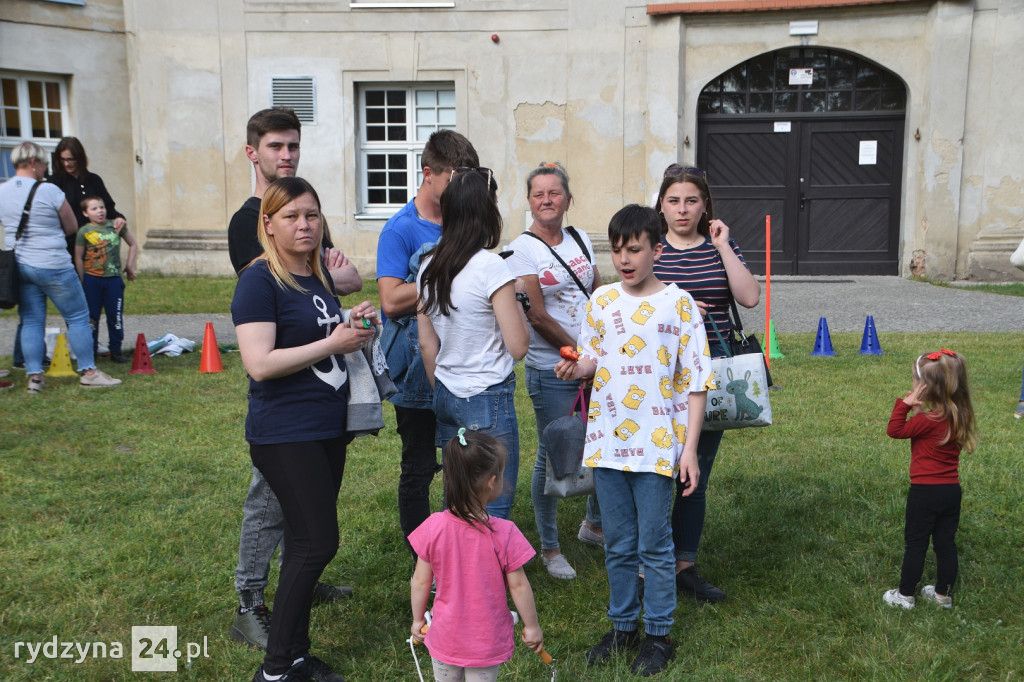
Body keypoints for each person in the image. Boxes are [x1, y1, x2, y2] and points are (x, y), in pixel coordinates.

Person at [554, 205, 713, 677]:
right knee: (618, 543)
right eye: (618, 250)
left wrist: (689, 449)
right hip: (607, 442)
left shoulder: (679, 304)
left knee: (655, 545)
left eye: (635, 249)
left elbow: (696, 382)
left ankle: (659, 634)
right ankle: (623, 626)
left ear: (656, 250)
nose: (625, 259)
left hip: (657, 444)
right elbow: (592, 359)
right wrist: (577, 367)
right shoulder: (601, 300)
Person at [232, 176, 377, 682]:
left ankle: (295, 655)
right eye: (291, 216)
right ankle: (275, 670)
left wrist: (351, 325)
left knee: (301, 542)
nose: (304, 225)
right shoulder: (258, 280)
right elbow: (259, 363)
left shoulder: (315, 277)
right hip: (283, 432)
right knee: (318, 542)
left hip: (324, 427)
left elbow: (319, 336)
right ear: (268, 223)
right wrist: (333, 343)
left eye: (311, 215)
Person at [652, 164, 759, 603]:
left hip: (710, 372)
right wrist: (676, 305)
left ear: (704, 205)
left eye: (691, 201)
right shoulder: (651, 248)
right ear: (661, 205)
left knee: (695, 471)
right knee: (657, 471)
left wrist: (723, 246)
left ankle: (684, 565)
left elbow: (749, 297)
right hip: (659, 374)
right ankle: (651, 563)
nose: (682, 209)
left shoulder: (720, 245)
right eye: (674, 200)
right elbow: (630, 301)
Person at [376, 131, 480, 556]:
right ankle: (424, 555)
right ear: (428, 174)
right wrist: (443, 277)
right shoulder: (400, 229)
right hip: (415, 368)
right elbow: (390, 300)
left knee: (463, 460)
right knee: (419, 465)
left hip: (461, 360)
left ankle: (461, 544)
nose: (461, 189)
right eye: (454, 179)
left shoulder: (463, 221)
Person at [506, 162, 603, 580]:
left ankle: (594, 525)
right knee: (552, 452)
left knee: (600, 443)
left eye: (554, 193)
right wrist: (579, 356)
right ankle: (549, 548)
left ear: (568, 199)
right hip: (555, 369)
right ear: (529, 201)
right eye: (538, 194)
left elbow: (598, 292)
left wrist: (599, 352)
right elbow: (537, 315)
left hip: (592, 362)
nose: (546, 200)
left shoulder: (580, 238)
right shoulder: (521, 249)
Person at [416, 168, 530, 521]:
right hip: (487, 396)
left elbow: (426, 343)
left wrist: (442, 387)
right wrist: (518, 299)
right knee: (492, 507)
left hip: (446, 392)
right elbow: (518, 346)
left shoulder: (427, 266)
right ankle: (489, 561)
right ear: (487, 212)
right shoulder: (491, 267)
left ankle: (449, 560)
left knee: (457, 501)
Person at [409, 429, 543, 681]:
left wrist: (417, 620)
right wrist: (532, 626)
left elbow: (420, 581)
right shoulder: (505, 533)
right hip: (485, 642)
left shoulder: (433, 527)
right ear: (492, 481)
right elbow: (519, 586)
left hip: (444, 637)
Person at [0, 141, 121, 392]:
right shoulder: (49, 190)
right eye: (43, 163)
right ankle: (89, 372)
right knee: (77, 317)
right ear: (32, 162)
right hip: (53, 263)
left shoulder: (2, 191)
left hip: (20, 264)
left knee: (31, 320)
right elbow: (71, 226)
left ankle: (35, 377)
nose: (45, 168)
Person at [883, 349, 977, 610]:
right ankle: (942, 596)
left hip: (924, 494)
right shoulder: (960, 415)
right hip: (951, 492)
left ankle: (905, 596)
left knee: (916, 544)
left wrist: (906, 403)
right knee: (945, 543)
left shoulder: (926, 420)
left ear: (926, 388)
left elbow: (894, 430)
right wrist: (919, 408)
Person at [74, 195, 138, 362]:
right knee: (92, 318)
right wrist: (82, 280)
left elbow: (133, 244)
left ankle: (116, 351)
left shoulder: (116, 226)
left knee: (115, 316)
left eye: (102, 207)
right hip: (92, 281)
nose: (100, 211)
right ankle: (91, 351)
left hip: (113, 280)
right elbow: (78, 257)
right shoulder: (84, 231)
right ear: (85, 213)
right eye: (94, 208)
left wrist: (130, 266)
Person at [49, 137, 126, 252]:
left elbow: (108, 207)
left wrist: (119, 218)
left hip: (95, 245)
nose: (66, 164)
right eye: (62, 159)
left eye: (70, 159)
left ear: (79, 158)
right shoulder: (54, 182)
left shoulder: (94, 180)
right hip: (68, 246)